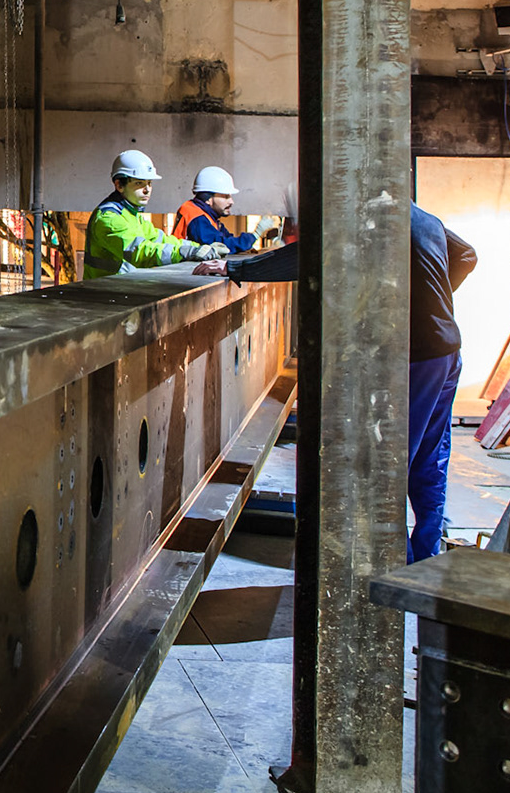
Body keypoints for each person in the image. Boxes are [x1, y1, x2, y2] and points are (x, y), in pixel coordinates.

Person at [195, 202, 475, 563]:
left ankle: (394, 565)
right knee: (429, 457)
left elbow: (309, 256)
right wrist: (430, 298)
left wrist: (236, 266)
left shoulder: (372, 215)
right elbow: (467, 255)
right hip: (446, 349)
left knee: (386, 463)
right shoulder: (425, 217)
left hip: (413, 356)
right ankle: (424, 555)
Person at [84, 149, 229, 279]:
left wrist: (198, 247)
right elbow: (140, 251)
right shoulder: (109, 218)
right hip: (105, 295)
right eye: (139, 183)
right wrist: (187, 252)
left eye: (149, 183)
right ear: (119, 185)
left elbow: (160, 239)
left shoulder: (132, 215)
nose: (147, 190)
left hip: (120, 290)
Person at [170, 166, 262, 256]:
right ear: (208, 199)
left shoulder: (208, 216)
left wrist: (244, 247)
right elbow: (220, 245)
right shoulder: (197, 218)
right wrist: (255, 235)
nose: (231, 202)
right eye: (226, 197)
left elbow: (227, 239)